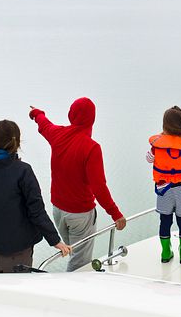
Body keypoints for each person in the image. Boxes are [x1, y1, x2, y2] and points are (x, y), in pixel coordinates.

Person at [29, 97, 127, 272]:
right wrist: (115, 214)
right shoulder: (91, 148)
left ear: (70, 115)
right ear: (93, 119)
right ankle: (71, 293)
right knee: (79, 264)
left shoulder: (57, 134)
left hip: (58, 211)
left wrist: (37, 114)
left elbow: (45, 125)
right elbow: (99, 187)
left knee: (73, 253)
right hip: (80, 215)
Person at [0, 119, 71, 273]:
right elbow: (37, 211)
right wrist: (55, 241)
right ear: (17, 142)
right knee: (16, 295)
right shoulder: (23, 171)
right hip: (17, 253)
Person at [147, 106, 181, 265]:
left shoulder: (157, 145)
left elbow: (148, 159)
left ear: (164, 125)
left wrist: (158, 145)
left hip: (164, 189)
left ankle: (166, 253)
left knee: (165, 221)